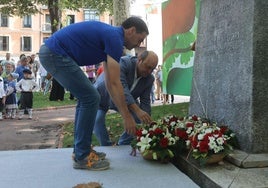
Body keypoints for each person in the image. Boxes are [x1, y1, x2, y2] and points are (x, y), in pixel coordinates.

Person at [38, 16, 149, 171]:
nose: (139, 44)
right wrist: (127, 116)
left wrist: (126, 114)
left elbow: (110, 83)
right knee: (91, 97)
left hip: (53, 52)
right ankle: (82, 156)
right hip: (54, 53)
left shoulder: (112, 37)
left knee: (87, 98)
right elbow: (117, 83)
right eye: (140, 39)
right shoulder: (115, 38)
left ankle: (80, 150)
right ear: (131, 31)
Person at [94, 50, 158, 146]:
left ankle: (123, 143)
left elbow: (145, 102)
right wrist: (137, 110)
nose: (149, 72)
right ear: (139, 60)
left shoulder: (149, 79)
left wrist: (147, 122)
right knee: (97, 120)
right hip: (102, 96)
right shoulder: (124, 63)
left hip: (125, 101)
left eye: (152, 69)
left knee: (139, 118)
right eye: (148, 67)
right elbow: (121, 88)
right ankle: (106, 146)